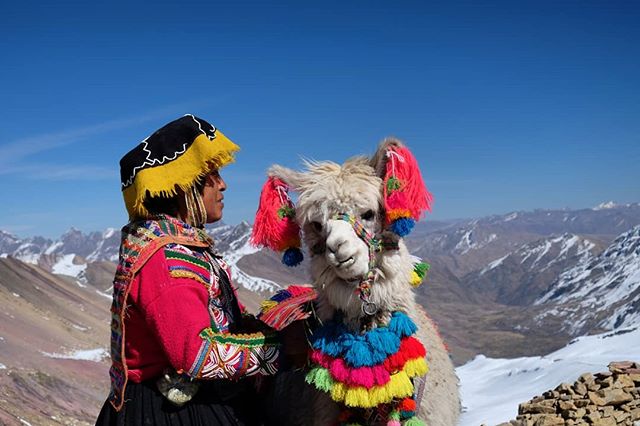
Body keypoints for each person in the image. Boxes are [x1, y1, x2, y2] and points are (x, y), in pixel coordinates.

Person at [96, 114, 280, 426]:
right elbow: (196, 353)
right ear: (182, 186)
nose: (223, 184)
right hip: (171, 413)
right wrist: (278, 353)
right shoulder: (166, 257)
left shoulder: (182, 245)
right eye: (211, 175)